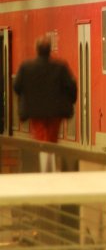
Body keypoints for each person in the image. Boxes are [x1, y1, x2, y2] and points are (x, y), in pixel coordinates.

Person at [13, 35, 77, 172]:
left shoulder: (26, 67)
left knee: (41, 137)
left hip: (35, 112)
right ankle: (50, 167)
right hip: (56, 112)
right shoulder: (60, 67)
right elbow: (71, 86)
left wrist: (27, 97)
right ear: (49, 50)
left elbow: (17, 86)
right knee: (52, 137)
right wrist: (70, 102)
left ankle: (45, 169)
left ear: (37, 50)